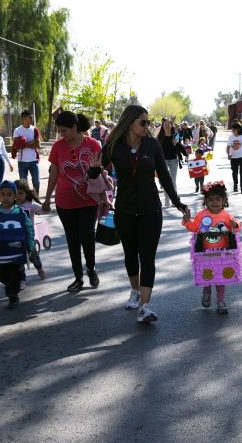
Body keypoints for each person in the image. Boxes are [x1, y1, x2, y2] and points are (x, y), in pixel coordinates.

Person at [100, 105, 189, 324]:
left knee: (147, 256)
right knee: (131, 254)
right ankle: (135, 290)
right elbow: (97, 169)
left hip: (151, 209)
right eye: (143, 122)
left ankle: (145, 307)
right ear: (130, 122)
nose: (147, 126)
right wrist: (94, 171)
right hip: (125, 210)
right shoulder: (113, 146)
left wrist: (178, 203)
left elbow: (165, 177)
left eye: (148, 122)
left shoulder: (152, 145)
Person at [42, 112, 102, 293]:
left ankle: (91, 269)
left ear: (75, 128)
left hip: (88, 201)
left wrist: (94, 169)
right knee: (72, 240)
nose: (62, 135)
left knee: (87, 236)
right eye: (59, 131)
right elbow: (54, 173)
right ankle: (78, 277)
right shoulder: (58, 147)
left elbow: (102, 170)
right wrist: (46, 199)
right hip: (65, 202)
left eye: (64, 131)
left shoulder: (92, 144)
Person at [182, 181, 241, 314]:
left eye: (218, 199)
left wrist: (235, 224)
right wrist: (187, 222)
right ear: (206, 201)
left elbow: (237, 227)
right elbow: (195, 228)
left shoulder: (226, 215)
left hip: (222, 254)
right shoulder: (201, 215)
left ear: (224, 200)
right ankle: (207, 291)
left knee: (221, 279)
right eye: (211, 200)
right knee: (207, 275)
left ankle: (221, 301)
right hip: (205, 253)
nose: (215, 202)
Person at [0, 180, 35, 309]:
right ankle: (13, 284)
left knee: (13, 272)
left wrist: (30, 245)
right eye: (2, 194)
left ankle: (13, 295)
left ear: (14, 196)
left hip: (16, 250)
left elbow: (29, 228)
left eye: (9, 194)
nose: (6, 197)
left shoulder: (19, 212)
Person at [15, 179, 46, 281]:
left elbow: (43, 210)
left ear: (26, 194)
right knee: (18, 258)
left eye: (21, 193)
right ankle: (20, 280)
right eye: (15, 193)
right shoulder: (11, 206)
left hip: (29, 236)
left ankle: (39, 267)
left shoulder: (31, 205)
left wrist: (46, 208)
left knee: (33, 256)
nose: (18, 196)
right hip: (15, 235)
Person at [13, 110, 41, 196]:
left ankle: (37, 198)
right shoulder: (17, 130)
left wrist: (23, 144)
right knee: (23, 183)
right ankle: (27, 199)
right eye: (30, 117)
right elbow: (16, 145)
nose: (32, 119)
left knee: (36, 181)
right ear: (24, 118)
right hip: (22, 161)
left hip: (33, 160)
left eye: (32, 117)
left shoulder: (35, 129)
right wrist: (30, 143)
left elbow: (38, 145)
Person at [156, 118, 181, 207]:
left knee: (173, 180)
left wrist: (176, 143)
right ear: (162, 126)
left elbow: (179, 145)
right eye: (165, 124)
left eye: (168, 124)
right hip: (163, 160)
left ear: (171, 125)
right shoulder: (159, 136)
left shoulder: (176, 135)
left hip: (174, 160)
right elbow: (156, 148)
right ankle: (167, 199)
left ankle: (175, 200)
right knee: (166, 180)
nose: (167, 125)